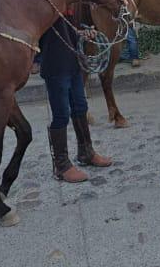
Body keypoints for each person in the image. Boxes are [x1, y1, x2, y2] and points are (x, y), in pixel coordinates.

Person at [40, 14, 113, 182]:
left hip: (73, 62)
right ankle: (61, 165)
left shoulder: (72, 2)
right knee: (61, 113)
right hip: (55, 64)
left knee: (80, 106)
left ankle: (86, 152)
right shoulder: (47, 0)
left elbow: (75, 29)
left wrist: (86, 33)